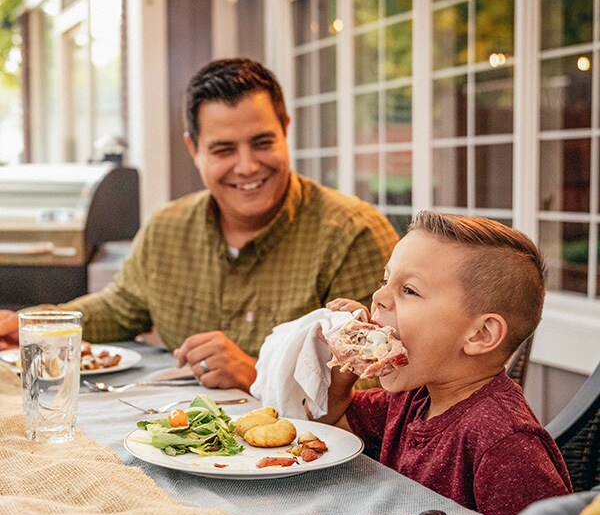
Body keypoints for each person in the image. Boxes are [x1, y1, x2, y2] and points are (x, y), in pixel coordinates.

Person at [0, 58, 398, 392]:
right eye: (223, 149)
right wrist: (38, 324)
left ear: (285, 131)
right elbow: (118, 309)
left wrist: (259, 375)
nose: (247, 166)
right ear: (194, 150)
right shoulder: (167, 228)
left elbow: (385, 381)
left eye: (262, 143)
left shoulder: (353, 233)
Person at [321, 210, 572, 515]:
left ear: (480, 335)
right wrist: (351, 356)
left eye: (409, 290)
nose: (378, 297)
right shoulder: (413, 398)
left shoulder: (505, 444)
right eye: (386, 281)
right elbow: (328, 421)